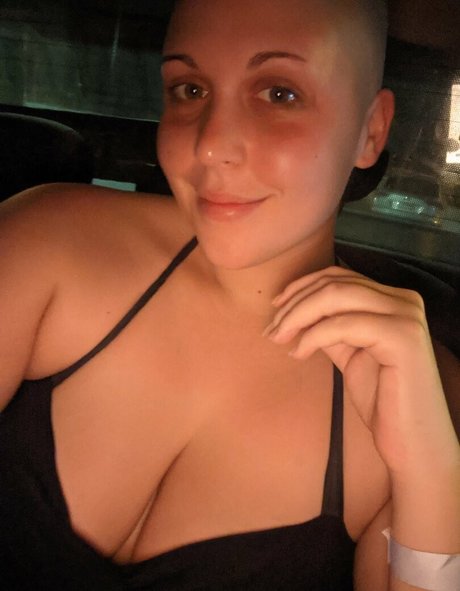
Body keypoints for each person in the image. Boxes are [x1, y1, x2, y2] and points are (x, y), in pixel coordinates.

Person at [0, 0, 458, 589]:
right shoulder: (48, 240)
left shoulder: (425, 394)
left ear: (370, 131)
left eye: (279, 94)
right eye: (189, 90)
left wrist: (431, 470)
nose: (211, 145)